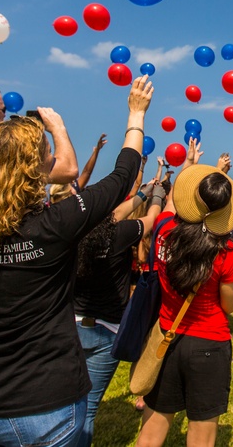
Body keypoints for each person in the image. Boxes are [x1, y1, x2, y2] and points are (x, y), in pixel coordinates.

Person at [0, 76, 152, 447]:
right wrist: (135, 114)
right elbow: (122, 177)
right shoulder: (55, 225)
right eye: (46, 154)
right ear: (36, 169)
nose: (53, 158)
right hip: (43, 405)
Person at [135, 163, 233, 447]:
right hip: (210, 343)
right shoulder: (227, 251)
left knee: (151, 432)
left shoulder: (164, 230)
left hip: (167, 337)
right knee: (201, 437)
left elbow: (172, 204)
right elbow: (229, 305)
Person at [70, 175, 165, 447]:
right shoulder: (117, 234)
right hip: (106, 329)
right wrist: (156, 197)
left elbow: (116, 213)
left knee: (65, 400)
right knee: (87, 408)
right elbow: (151, 220)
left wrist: (144, 192)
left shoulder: (72, 232)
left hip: (72, 324)